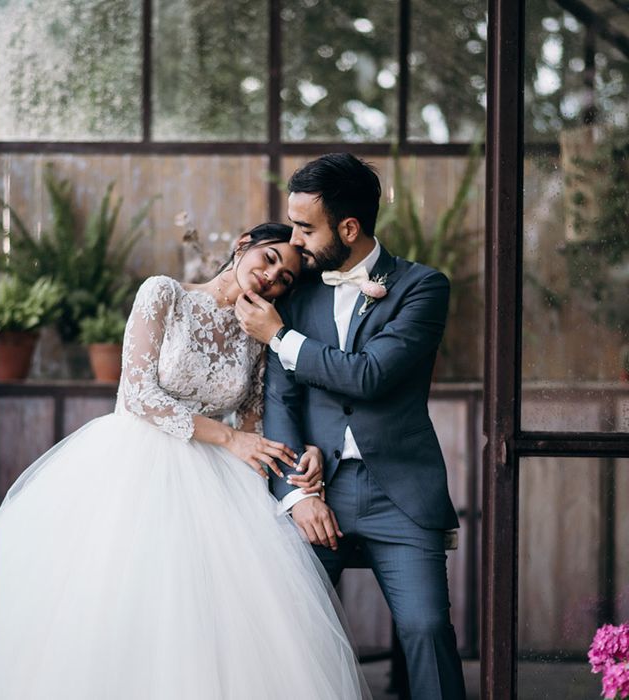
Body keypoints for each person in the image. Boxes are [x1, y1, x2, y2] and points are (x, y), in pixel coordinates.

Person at [0, 223, 371, 700]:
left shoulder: (256, 333)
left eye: (284, 279)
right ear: (242, 245)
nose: (271, 278)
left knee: (207, 616)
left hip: (217, 480)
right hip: (135, 463)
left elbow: (256, 424)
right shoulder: (165, 294)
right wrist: (228, 439)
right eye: (269, 259)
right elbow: (138, 395)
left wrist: (295, 460)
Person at [235, 155, 467, 700]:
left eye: (305, 227)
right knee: (275, 628)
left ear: (348, 228)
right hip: (318, 491)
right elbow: (282, 400)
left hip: (400, 496)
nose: (295, 240)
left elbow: (372, 376)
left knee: (427, 629)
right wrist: (296, 496)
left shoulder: (422, 287)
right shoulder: (296, 290)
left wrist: (280, 338)